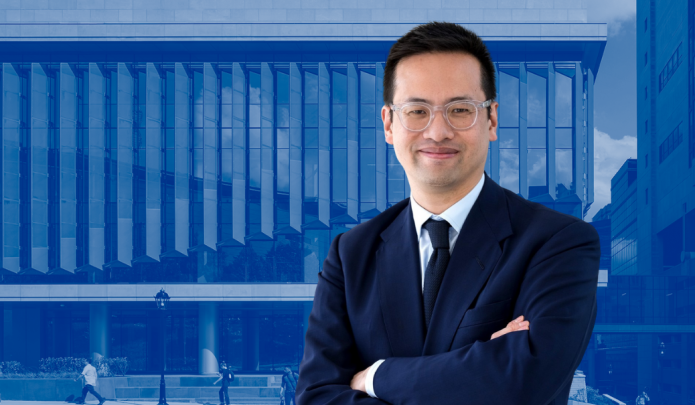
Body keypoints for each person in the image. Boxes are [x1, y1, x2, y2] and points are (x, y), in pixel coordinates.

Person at [295, 21, 601, 405]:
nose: (437, 131)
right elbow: (316, 397)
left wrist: (377, 376)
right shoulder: (350, 254)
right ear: (389, 124)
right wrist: (482, 369)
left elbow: (525, 380)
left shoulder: (559, 242)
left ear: (491, 120)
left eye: (459, 109)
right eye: (417, 110)